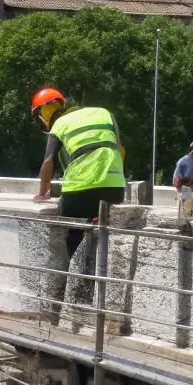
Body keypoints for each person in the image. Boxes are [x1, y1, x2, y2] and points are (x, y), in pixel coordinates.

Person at [30, 88, 126, 263]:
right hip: (115, 186)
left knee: (71, 238)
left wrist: (43, 192)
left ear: (43, 112)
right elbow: (120, 149)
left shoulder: (59, 124)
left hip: (80, 190)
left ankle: (71, 280)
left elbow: (48, 162)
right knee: (104, 236)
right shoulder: (104, 113)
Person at [173, 140, 193, 221]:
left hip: (192, 189)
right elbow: (177, 180)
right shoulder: (184, 161)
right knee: (187, 212)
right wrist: (191, 183)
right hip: (185, 189)